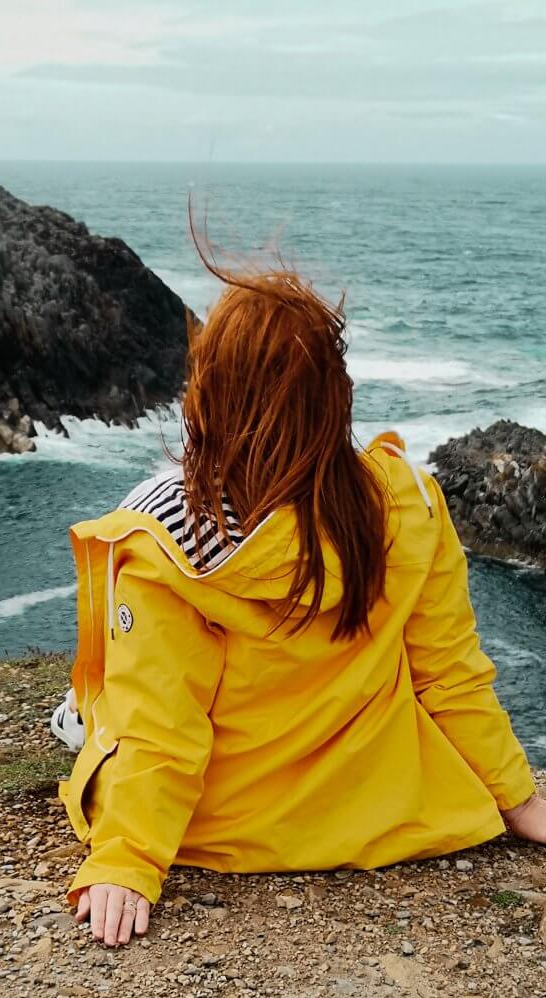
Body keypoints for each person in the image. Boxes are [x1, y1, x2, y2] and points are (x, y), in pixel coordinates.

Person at [51, 260, 545, 948]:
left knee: (99, 710)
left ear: (210, 397)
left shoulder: (164, 536)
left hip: (222, 825)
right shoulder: (407, 501)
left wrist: (127, 858)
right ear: (333, 399)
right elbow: (450, 674)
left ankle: (75, 720)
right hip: (381, 810)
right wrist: (519, 799)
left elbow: (164, 723)